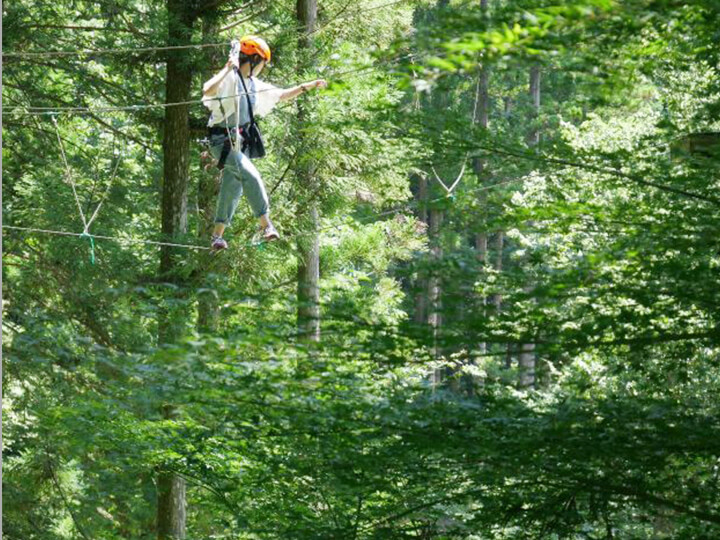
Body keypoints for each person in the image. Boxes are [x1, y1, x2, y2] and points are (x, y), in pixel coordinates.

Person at [202, 35, 327, 250]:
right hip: (221, 141)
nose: (262, 68)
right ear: (251, 61)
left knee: (232, 187)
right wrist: (226, 68)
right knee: (250, 174)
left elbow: (281, 95)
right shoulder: (230, 79)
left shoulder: (253, 84)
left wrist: (308, 86)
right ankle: (266, 224)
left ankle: (217, 235)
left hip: (238, 143)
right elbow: (208, 90)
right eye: (261, 64)